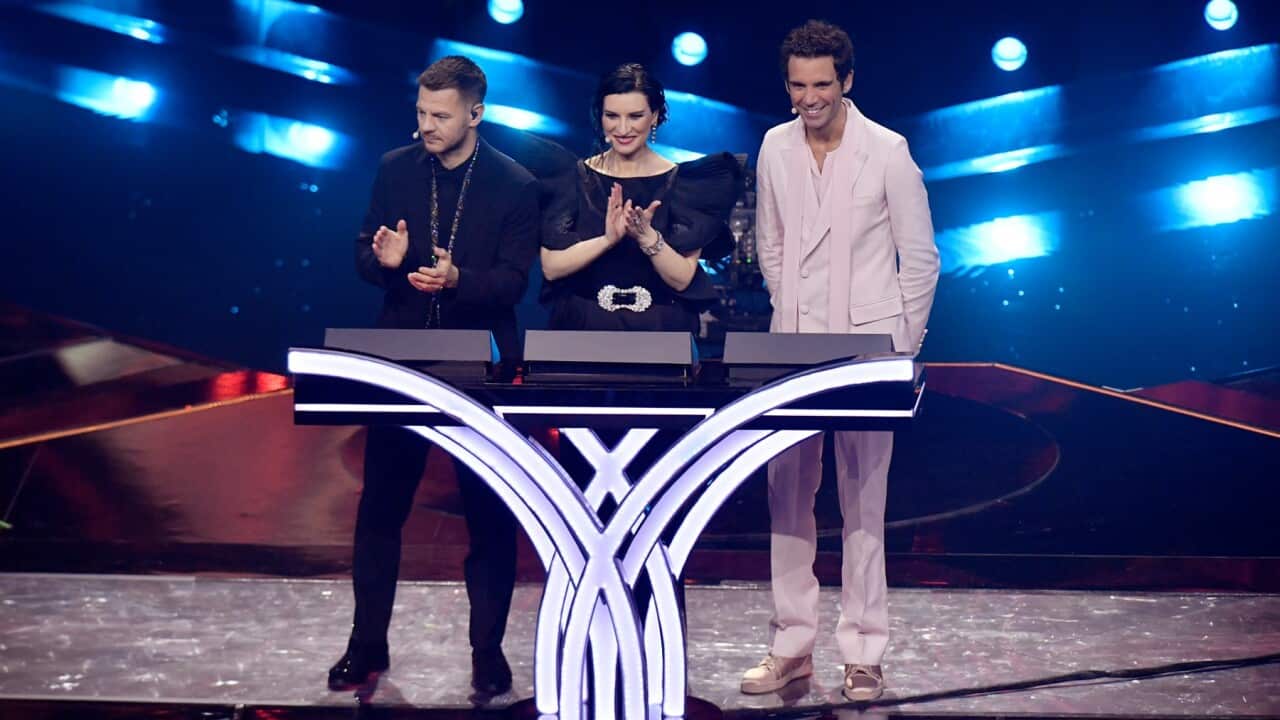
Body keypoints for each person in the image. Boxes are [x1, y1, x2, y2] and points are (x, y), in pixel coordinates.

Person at [327, 55, 540, 698]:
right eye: (421, 112)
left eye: (440, 115)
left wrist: (458, 280)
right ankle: (366, 646)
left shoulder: (514, 183)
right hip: (402, 361)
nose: (426, 125)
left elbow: (512, 283)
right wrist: (382, 259)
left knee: (488, 514)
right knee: (380, 509)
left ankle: (487, 652)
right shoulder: (395, 168)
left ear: (475, 113)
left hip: (480, 367)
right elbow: (364, 253)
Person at [739, 20, 939, 702]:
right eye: (797, 85)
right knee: (787, 498)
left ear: (846, 81)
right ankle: (791, 647)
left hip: (868, 351)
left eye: (821, 84)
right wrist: (789, 313)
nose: (808, 98)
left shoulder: (887, 150)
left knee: (863, 504)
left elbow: (923, 258)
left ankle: (863, 652)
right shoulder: (773, 147)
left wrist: (900, 350)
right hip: (791, 349)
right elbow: (769, 242)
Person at [539, 62, 740, 335]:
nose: (623, 128)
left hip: (659, 330)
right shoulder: (574, 177)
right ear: (600, 116)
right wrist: (607, 240)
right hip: (583, 326)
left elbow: (682, 279)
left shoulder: (685, 184)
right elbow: (551, 268)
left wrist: (647, 238)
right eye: (612, 116)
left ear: (654, 116)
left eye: (635, 116)